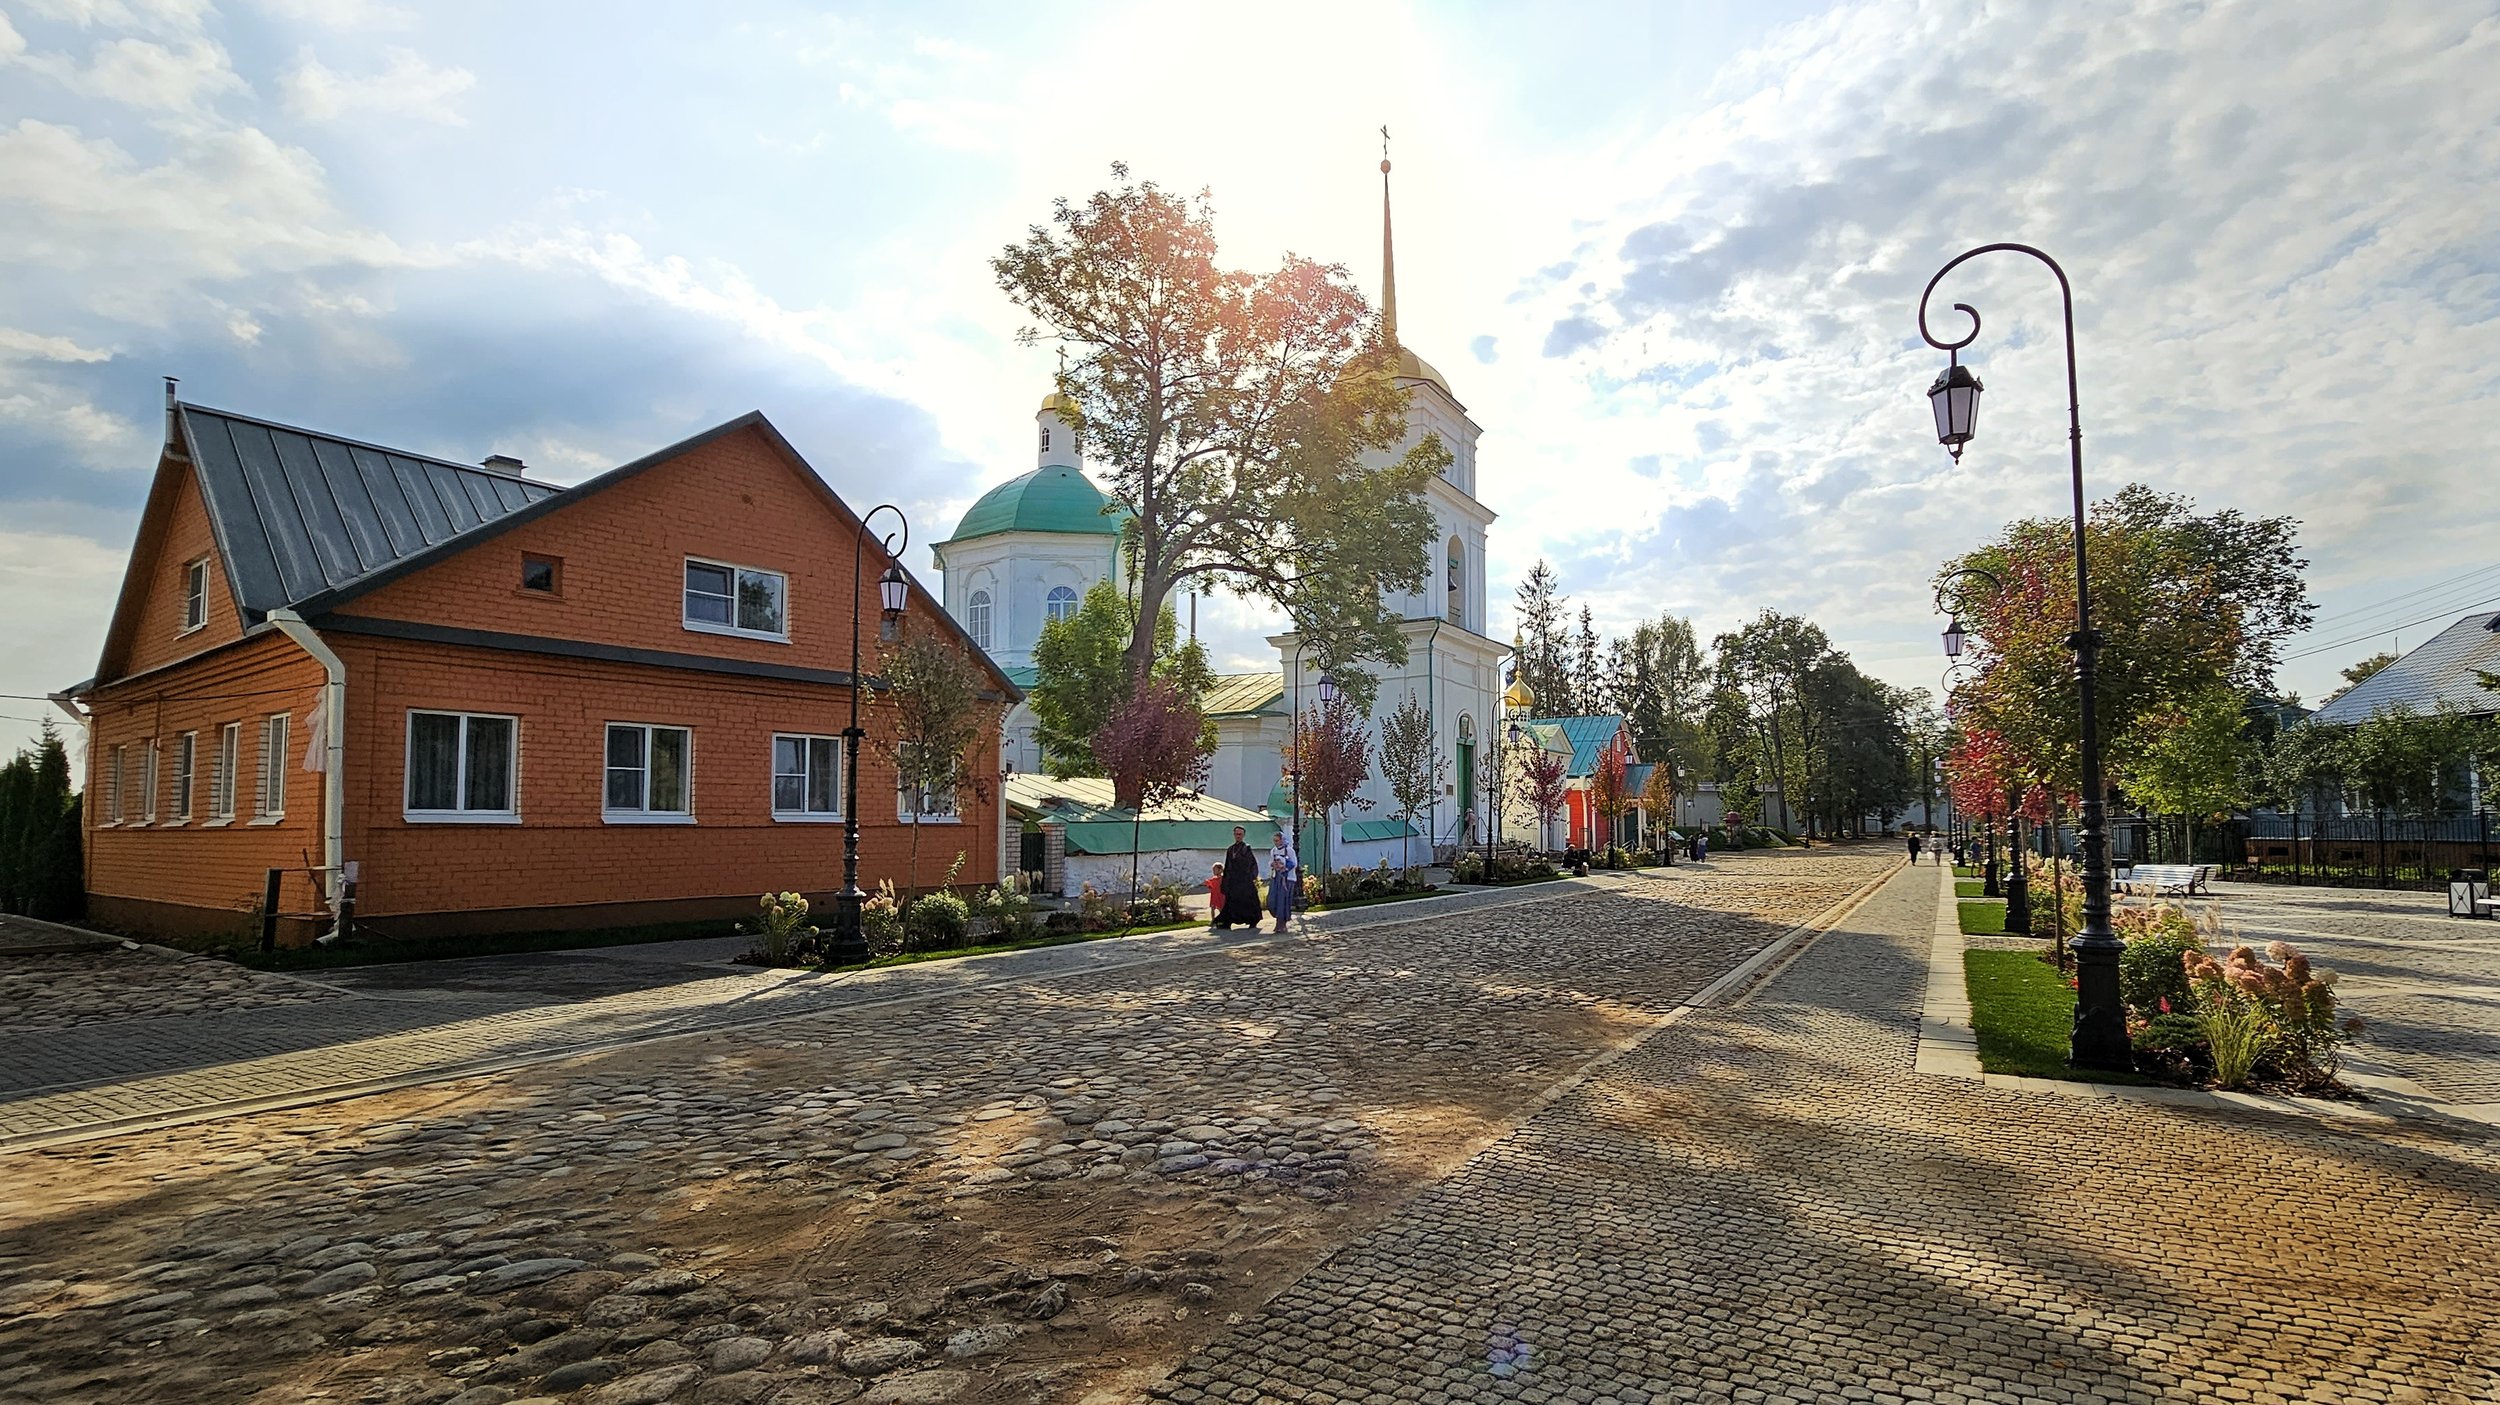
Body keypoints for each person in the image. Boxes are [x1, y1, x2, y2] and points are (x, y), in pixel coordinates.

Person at [1215, 825, 1263, 930]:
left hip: (1245, 881)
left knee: (1248, 902)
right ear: (1234, 835)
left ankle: (1252, 920)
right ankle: (1227, 921)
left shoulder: (1246, 849)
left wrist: (1252, 877)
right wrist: (1225, 881)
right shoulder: (1230, 849)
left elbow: (1253, 864)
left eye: (1240, 834)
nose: (1238, 836)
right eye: (1236, 834)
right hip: (1233, 881)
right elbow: (1227, 866)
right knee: (1231, 902)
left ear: (1243, 835)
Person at [1267, 830, 1298, 932]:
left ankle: (1281, 923)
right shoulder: (1273, 851)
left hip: (1287, 879)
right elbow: (1271, 862)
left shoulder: (1289, 850)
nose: (1276, 843)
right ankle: (1277, 918)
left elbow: (1294, 863)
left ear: (1282, 840)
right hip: (1276, 877)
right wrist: (1273, 865)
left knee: (1283, 901)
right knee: (1272, 900)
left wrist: (1284, 866)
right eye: (1274, 841)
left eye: (1277, 840)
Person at [1203, 862, 1226, 930]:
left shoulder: (1222, 879)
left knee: (1220, 908)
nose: (1214, 871)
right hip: (1214, 895)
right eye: (1213, 870)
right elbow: (1211, 886)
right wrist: (1207, 884)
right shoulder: (1213, 879)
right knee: (1212, 908)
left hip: (1220, 895)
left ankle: (1222, 919)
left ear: (1220, 870)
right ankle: (1213, 920)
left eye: (1215, 870)